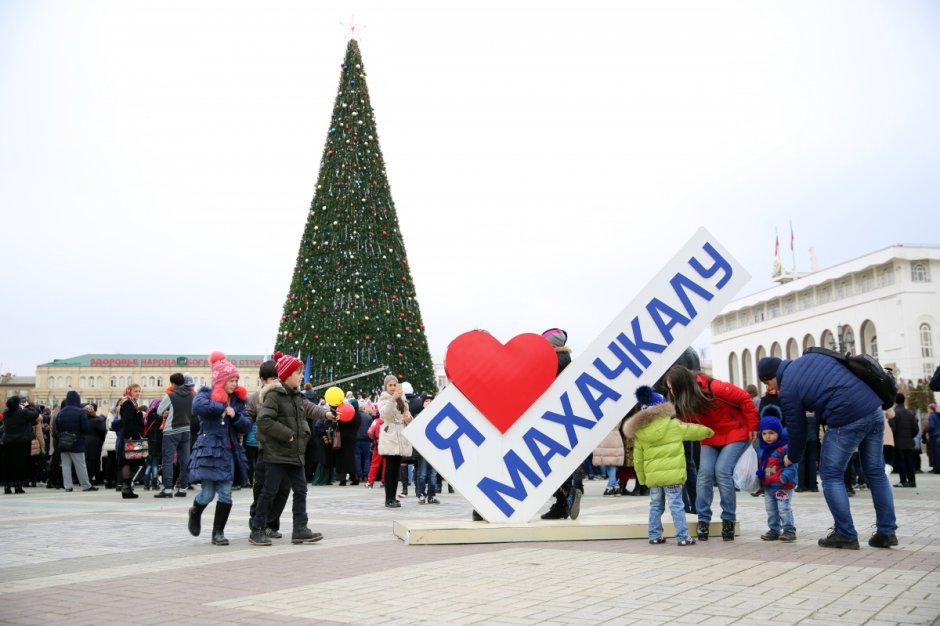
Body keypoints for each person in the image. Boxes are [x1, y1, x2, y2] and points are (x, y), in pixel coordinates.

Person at [758, 354, 898, 549]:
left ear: (770, 378)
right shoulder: (812, 357)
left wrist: (792, 457)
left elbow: (798, 429)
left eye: (769, 383)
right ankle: (887, 532)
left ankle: (845, 533)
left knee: (831, 475)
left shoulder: (787, 388)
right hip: (874, 410)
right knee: (876, 472)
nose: (773, 388)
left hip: (847, 417)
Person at [665, 365, 757, 542]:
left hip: (735, 431)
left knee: (722, 471)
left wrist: (753, 426)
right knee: (704, 473)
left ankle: (728, 520)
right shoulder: (682, 399)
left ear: (682, 384)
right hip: (710, 436)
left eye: (672, 387)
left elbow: (745, 398)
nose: (670, 391)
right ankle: (703, 520)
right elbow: (684, 423)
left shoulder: (714, 387)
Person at [623, 387, 713, 546]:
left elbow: (638, 459)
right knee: (677, 505)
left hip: (654, 478)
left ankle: (654, 535)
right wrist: (710, 432)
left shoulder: (640, 433)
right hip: (673, 476)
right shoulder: (674, 425)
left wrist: (643, 479)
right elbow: (694, 430)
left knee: (656, 506)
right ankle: (683, 537)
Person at [249, 353, 322, 546]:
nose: (301, 376)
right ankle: (257, 529)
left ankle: (300, 529)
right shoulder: (274, 395)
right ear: (288, 374)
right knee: (269, 491)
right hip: (277, 453)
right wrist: (287, 434)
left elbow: (307, 412)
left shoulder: (297, 396)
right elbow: (263, 420)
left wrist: (326, 415)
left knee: (301, 491)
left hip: (295, 453)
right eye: (298, 373)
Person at [189, 353, 251, 545]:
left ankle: (218, 533)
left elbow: (247, 425)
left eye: (236, 380)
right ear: (220, 380)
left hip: (229, 452)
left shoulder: (238, 401)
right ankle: (195, 511)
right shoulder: (206, 393)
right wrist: (220, 407)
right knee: (207, 494)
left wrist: (235, 416)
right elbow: (197, 406)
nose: (234, 384)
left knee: (226, 492)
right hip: (210, 451)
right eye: (230, 380)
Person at [755, 410, 798, 542]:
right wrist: (760, 475)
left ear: (778, 433)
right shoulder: (761, 448)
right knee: (771, 509)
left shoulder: (784, 447)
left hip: (783, 485)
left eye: (771, 433)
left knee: (783, 508)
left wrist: (784, 476)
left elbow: (792, 466)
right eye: (764, 433)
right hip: (768, 486)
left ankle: (789, 530)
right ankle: (774, 530)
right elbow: (761, 465)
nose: (767, 436)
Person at [154, 373, 196, 498]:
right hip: (186, 430)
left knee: (168, 459)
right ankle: (183, 488)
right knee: (184, 460)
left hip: (171, 431)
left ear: (172, 383)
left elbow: (159, 411)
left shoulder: (170, 395)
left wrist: (167, 412)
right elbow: (193, 411)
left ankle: (167, 489)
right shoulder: (192, 395)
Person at [377, 375, 413, 508]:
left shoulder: (402, 398)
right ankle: (388, 498)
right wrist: (393, 399)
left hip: (400, 434)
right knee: (390, 467)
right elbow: (384, 414)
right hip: (389, 434)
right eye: (390, 385)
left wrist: (409, 418)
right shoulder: (383, 399)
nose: (392, 388)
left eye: (394, 385)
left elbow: (407, 413)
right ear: (386, 386)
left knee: (396, 468)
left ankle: (394, 497)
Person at [55, 391, 96, 492]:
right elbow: (85, 428)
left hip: (64, 442)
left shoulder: (61, 412)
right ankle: (86, 485)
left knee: (65, 465)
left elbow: (57, 428)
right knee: (80, 464)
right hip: (77, 442)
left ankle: (68, 486)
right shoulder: (81, 412)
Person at [115, 384, 146, 499]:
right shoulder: (128, 404)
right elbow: (128, 422)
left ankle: (127, 488)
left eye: (139, 391)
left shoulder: (131, 403)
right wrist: (136, 434)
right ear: (129, 391)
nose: (138, 393)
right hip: (130, 437)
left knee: (131, 462)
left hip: (130, 436)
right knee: (127, 462)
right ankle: (126, 488)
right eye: (135, 391)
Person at [2, 397, 36, 494]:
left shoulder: (5, 413)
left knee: (8, 465)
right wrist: (27, 406)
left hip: (8, 442)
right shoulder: (22, 412)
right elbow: (35, 414)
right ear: (17, 404)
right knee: (21, 465)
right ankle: (18, 486)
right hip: (21, 442)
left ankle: (7, 486)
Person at [889, 393, 918, 489]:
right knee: (910, 462)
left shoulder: (894, 413)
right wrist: (910, 436)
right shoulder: (910, 413)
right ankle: (912, 481)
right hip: (909, 442)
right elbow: (916, 429)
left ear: (895, 401)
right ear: (904, 400)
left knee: (901, 462)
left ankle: (903, 481)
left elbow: (892, 429)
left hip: (898, 442)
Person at [925, 403, 940, 473]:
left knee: (935, 452)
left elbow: (931, 426)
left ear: (931, 409)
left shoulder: (931, 416)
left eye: (928, 408)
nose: (927, 409)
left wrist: (927, 431)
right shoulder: (937, 415)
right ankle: (936, 467)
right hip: (938, 435)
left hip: (934, 435)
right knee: (938, 452)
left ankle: (937, 468)